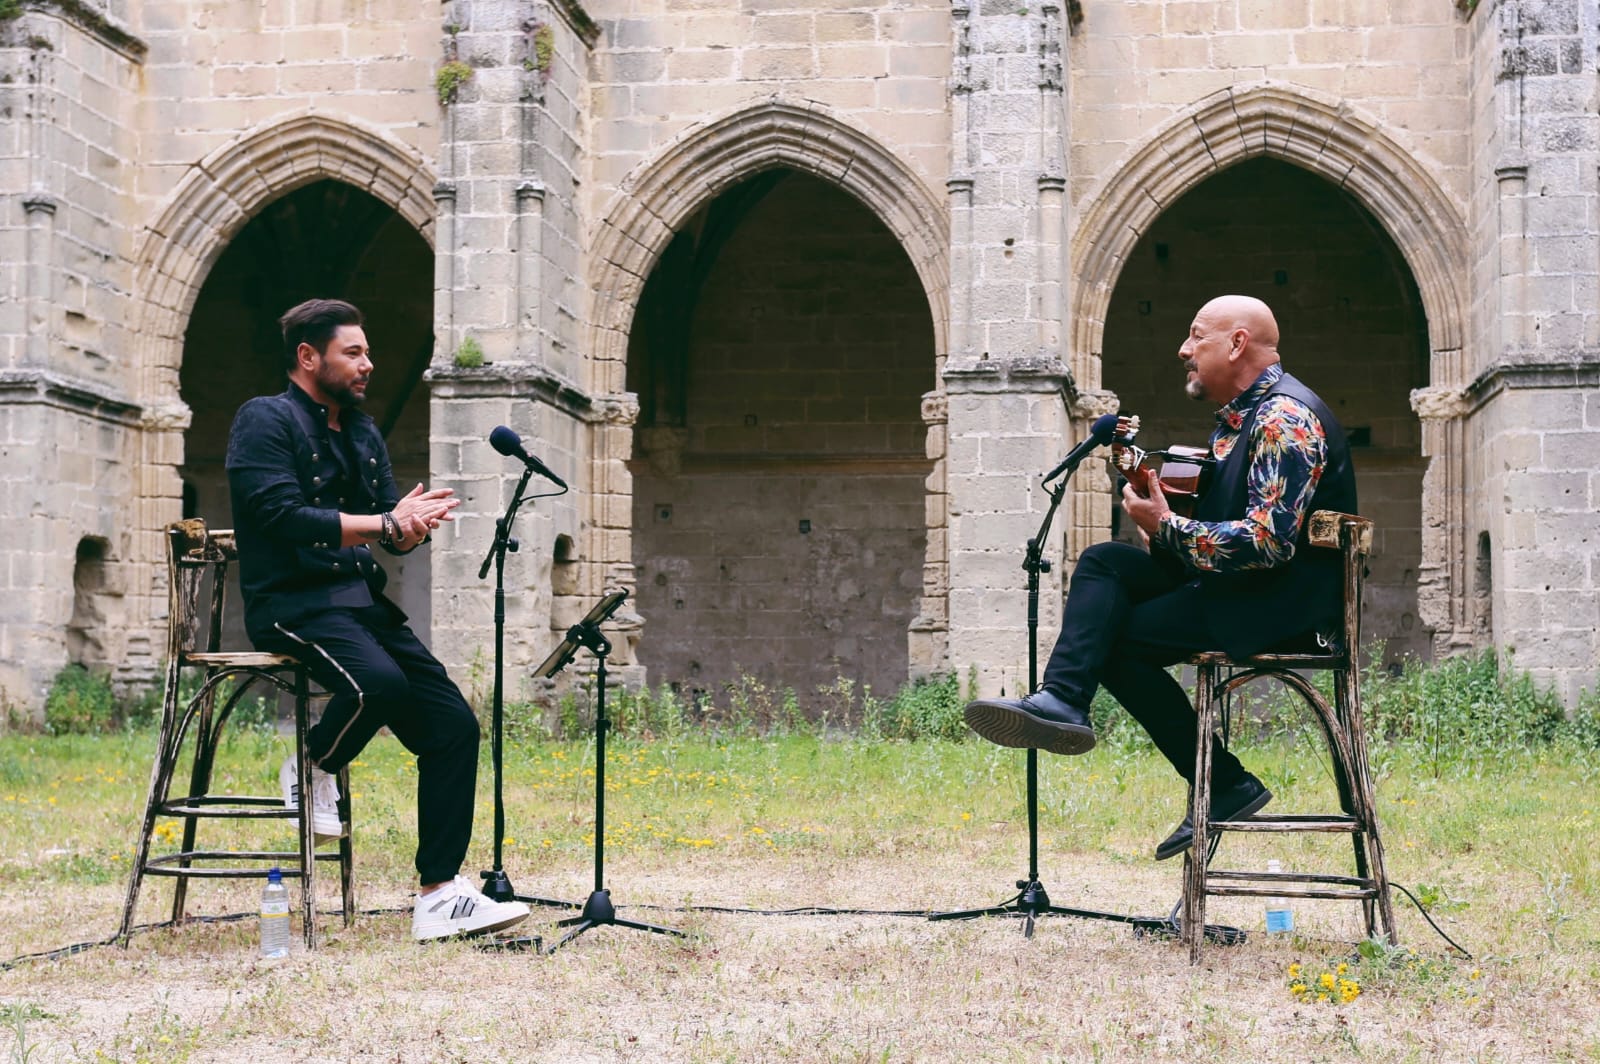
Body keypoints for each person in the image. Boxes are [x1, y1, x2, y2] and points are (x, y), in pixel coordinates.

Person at [965, 295, 1357, 861]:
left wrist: (1169, 526)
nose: (1184, 350)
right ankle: (1062, 700)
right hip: (1241, 590)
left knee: (1118, 646)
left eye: (1196, 336)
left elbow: (1268, 543)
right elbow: (1227, 534)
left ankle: (1225, 784)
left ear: (1237, 344)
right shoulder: (1240, 420)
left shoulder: (1283, 420)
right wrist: (1161, 522)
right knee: (1105, 561)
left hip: (1280, 608)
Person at [226, 298, 531, 940]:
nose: (369, 363)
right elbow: (280, 517)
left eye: (367, 352)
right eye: (353, 352)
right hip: (289, 604)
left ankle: (439, 893)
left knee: (454, 726)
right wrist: (384, 523)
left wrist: (409, 528)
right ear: (309, 357)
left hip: (361, 603)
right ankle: (312, 767)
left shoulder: (361, 433)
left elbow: (382, 529)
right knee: (378, 685)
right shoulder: (264, 420)